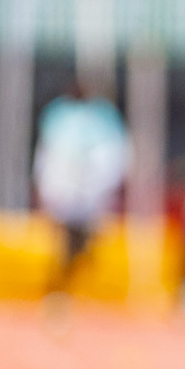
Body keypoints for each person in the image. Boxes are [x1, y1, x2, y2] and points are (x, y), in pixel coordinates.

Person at [33, 77, 131, 294]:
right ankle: (64, 278)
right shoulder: (64, 116)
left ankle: (71, 270)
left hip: (86, 191)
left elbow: (113, 156)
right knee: (66, 239)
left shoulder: (96, 117)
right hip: (70, 190)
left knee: (79, 237)